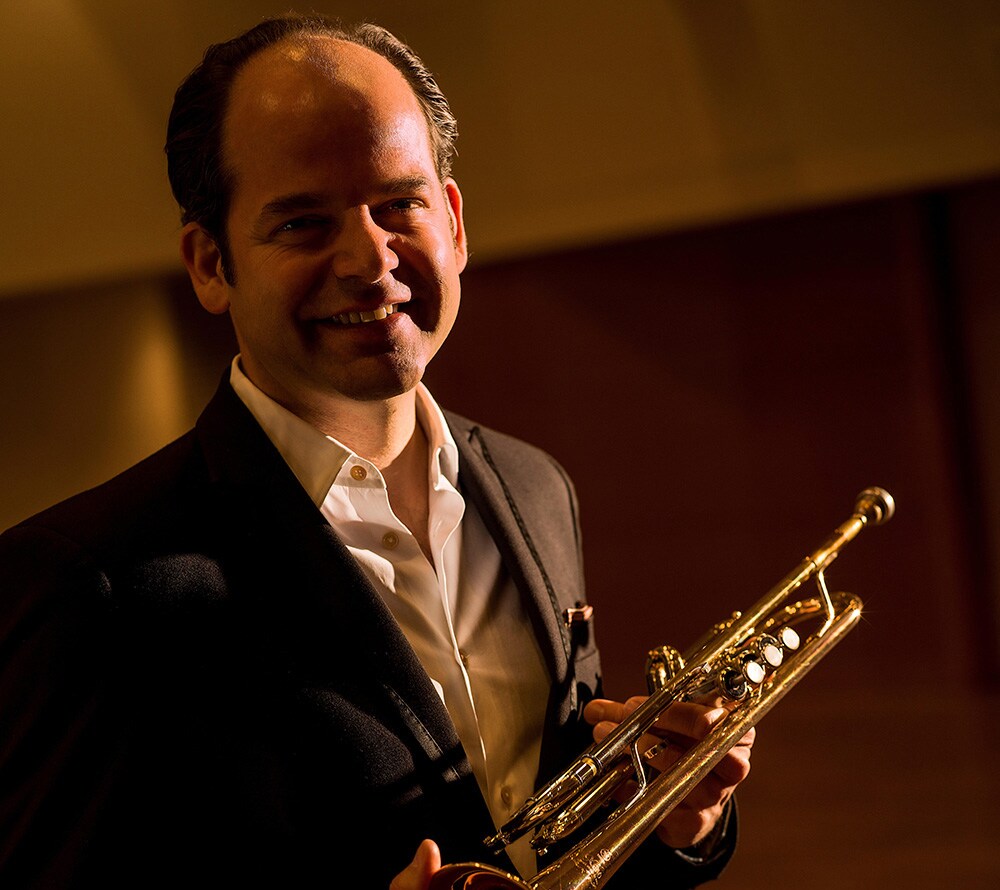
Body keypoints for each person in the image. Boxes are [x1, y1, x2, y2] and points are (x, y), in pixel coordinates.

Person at [0, 14, 753, 889]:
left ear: (454, 222)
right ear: (210, 264)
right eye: (302, 224)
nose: (369, 257)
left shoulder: (535, 485)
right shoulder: (88, 587)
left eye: (399, 203)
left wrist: (670, 820)